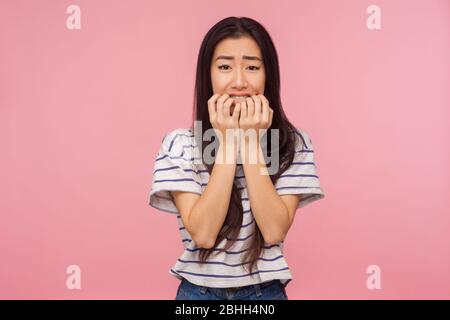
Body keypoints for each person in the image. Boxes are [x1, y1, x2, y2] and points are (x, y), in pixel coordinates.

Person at [149, 16, 325, 300]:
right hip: (198, 294)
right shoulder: (180, 144)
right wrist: (230, 141)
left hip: (264, 294)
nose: (239, 81)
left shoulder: (293, 143)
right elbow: (203, 234)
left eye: (252, 67)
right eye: (225, 67)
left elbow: (273, 230)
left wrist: (252, 141)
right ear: (208, 74)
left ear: (269, 75)